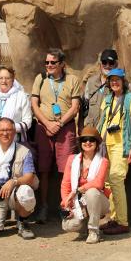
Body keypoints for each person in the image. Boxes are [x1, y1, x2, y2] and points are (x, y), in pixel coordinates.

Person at [30, 48, 81, 223]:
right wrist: (47, 123)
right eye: (47, 62)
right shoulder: (41, 79)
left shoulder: (72, 80)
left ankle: (65, 206)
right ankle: (43, 207)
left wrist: (58, 124)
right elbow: (34, 105)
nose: (49, 65)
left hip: (65, 128)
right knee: (43, 169)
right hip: (43, 128)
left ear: (62, 64)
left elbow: (75, 107)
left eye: (53, 62)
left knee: (66, 169)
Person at [0, 118, 39, 240]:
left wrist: (14, 181)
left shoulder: (25, 151)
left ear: (15, 132)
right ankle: (1, 217)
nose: (5, 133)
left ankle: (22, 222)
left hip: (15, 194)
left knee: (26, 191)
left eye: (9, 130)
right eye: (2, 130)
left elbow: (30, 176)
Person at [96, 68, 131, 235]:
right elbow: (103, 123)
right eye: (111, 80)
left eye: (117, 79)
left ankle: (122, 222)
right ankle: (113, 218)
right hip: (106, 145)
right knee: (108, 182)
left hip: (122, 146)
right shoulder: (107, 99)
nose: (114, 82)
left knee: (116, 180)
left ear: (123, 81)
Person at [60, 125, 110, 244]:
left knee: (91, 192)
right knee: (68, 226)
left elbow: (98, 183)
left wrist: (79, 190)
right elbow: (65, 184)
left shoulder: (103, 161)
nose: (87, 142)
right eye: (84, 139)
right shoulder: (72, 159)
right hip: (78, 202)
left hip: (98, 200)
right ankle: (86, 226)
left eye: (91, 139)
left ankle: (93, 230)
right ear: (80, 143)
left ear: (97, 143)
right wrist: (67, 203)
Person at [0, 66, 32, 147]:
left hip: (14, 143)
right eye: (1, 78)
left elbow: (28, 122)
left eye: (7, 78)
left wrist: (10, 128)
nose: (4, 81)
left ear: (13, 79)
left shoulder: (22, 96)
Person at [82, 48, 118, 129]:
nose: (107, 66)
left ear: (116, 64)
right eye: (104, 62)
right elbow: (84, 106)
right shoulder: (91, 82)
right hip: (90, 130)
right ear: (100, 64)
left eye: (111, 63)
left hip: (109, 131)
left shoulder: (119, 84)